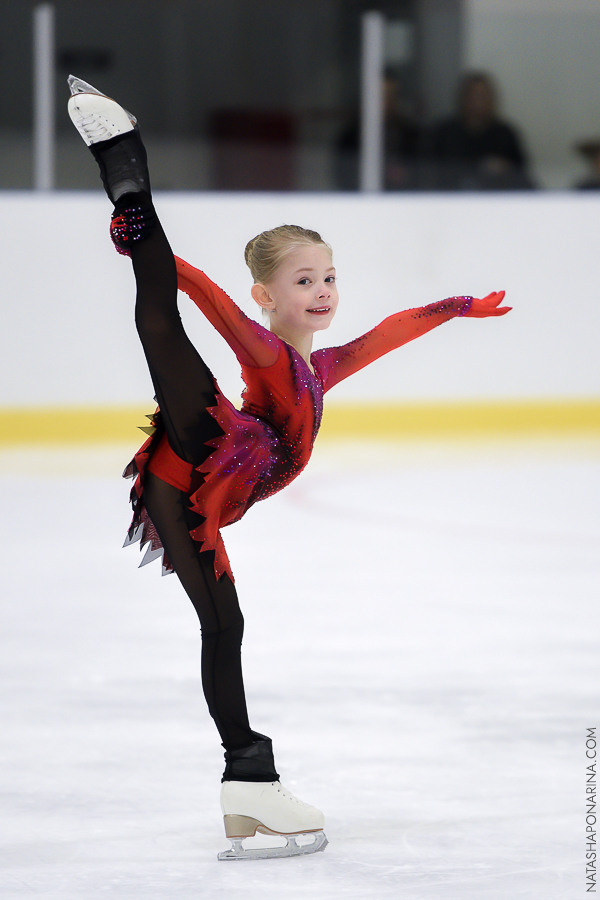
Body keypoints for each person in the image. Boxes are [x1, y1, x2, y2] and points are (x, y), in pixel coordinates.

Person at [67, 75, 511, 861]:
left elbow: (387, 333)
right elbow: (206, 302)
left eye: (329, 277)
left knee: (225, 625)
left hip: (203, 486)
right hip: (202, 456)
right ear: (269, 297)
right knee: (162, 325)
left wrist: (457, 307)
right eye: (304, 281)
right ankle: (125, 171)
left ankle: (248, 784)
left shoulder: (321, 368)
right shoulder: (269, 351)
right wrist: (149, 249)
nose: (323, 292)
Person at [428, 71, 533, 190]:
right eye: (473, 95)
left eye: (482, 96)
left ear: (491, 99)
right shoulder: (444, 133)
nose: (477, 102)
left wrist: (504, 168)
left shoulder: (505, 134)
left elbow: (522, 174)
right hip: (451, 199)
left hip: (495, 199)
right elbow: (430, 171)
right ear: (463, 98)